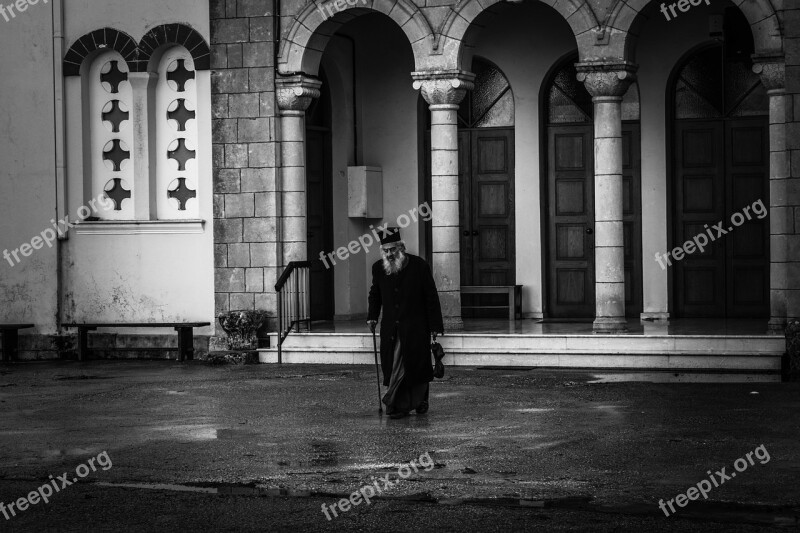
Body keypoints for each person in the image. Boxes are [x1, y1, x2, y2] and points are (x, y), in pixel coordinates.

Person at [367, 228, 444, 419]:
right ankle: (398, 403)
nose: (389, 254)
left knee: (416, 366)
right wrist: (372, 316)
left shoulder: (418, 265)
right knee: (394, 366)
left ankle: (415, 401)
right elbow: (375, 294)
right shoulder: (378, 268)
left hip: (416, 326)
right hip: (391, 328)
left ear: (401, 247)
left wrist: (435, 325)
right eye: (385, 251)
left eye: (392, 250)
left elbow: (430, 296)